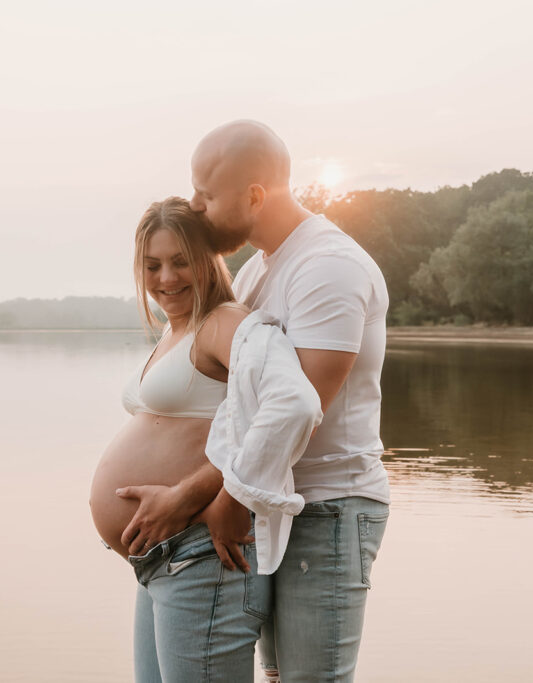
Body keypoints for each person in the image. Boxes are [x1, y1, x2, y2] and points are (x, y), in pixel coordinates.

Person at [121, 121, 390, 682]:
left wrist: (210, 497)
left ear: (254, 195)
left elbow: (299, 412)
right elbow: (236, 413)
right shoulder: (254, 275)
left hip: (325, 507)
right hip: (271, 505)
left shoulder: (327, 267)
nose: (196, 207)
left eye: (206, 194)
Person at [89, 196, 322, 682]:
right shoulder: (177, 331)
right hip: (161, 561)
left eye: (181, 261)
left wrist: (221, 493)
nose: (166, 277)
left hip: (202, 560)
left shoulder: (225, 323)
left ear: (208, 260)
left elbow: (294, 404)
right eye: (152, 265)